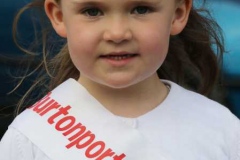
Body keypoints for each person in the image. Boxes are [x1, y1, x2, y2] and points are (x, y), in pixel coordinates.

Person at [0, 0, 239, 159]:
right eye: (92, 11)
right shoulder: (29, 138)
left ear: (178, 13)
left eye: (141, 9)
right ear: (59, 16)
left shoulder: (222, 129)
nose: (117, 33)